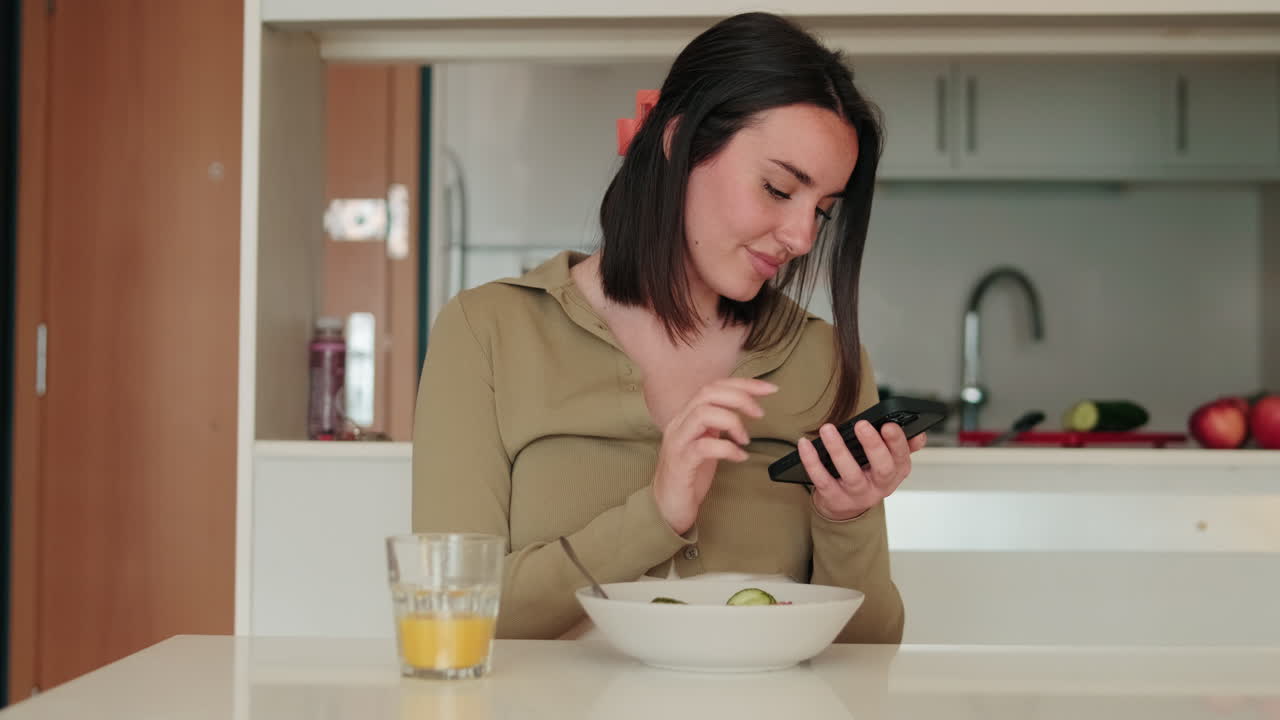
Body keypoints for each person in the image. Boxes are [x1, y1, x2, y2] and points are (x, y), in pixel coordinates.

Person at [412, 11, 927, 643]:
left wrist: (846, 516)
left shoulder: (823, 358)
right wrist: (656, 513)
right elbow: (450, 616)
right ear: (678, 141)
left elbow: (868, 654)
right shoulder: (487, 331)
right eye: (776, 188)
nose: (801, 237)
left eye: (822, 210)